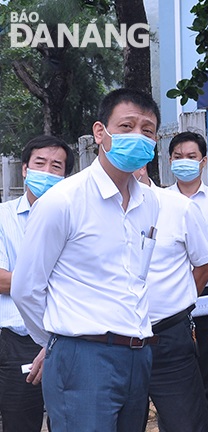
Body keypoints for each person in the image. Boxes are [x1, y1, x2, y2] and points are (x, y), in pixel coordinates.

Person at [11, 88, 161, 432]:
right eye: (126, 127)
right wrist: (56, 342)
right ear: (100, 132)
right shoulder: (63, 201)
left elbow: (135, 279)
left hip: (138, 356)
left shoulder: (149, 203)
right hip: (84, 358)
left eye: (147, 130)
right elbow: (26, 288)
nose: (137, 137)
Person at [0, 135, 74, 432]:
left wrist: (27, 281)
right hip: (18, 340)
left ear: (65, 175)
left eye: (56, 166)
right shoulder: (3, 217)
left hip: (67, 337)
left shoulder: (74, 217)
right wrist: (53, 283)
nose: (47, 171)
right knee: (20, 422)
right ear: (25, 169)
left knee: (69, 421)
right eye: (39, 163)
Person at [133, 166, 208, 432]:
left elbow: (204, 266)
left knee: (185, 423)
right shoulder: (93, 212)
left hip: (168, 338)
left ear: (143, 166)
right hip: (113, 343)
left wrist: (179, 302)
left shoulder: (178, 208)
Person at [166, 131, 208, 432]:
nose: (184, 162)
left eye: (191, 157)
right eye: (178, 157)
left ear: (204, 161)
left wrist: (189, 276)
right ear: (169, 161)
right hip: (169, 301)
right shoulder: (160, 200)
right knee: (172, 373)